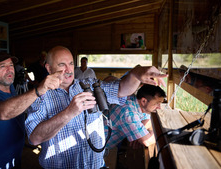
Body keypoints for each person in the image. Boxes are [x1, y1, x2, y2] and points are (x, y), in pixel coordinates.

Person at [25, 46, 167, 169]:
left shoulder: (89, 84)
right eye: (62, 65)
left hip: (96, 165)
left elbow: (121, 89)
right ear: (49, 68)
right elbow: (34, 138)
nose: (68, 70)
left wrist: (136, 73)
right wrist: (68, 113)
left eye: (70, 63)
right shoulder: (40, 95)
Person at [0, 52, 62, 169]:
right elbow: (2, 112)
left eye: (11, 65)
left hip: (15, 159)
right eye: (2, 66)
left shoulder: (10, 88)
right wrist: (38, 91)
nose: (10, 69)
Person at [104, 83, 166, 150]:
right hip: (97, 149)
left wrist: (140, 135)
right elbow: (147, 141)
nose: (159, 107)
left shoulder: (132, 98)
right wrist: (161, 132)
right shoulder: (129, 114)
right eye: (157, 103)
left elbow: (146, 119)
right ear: (143, 101)